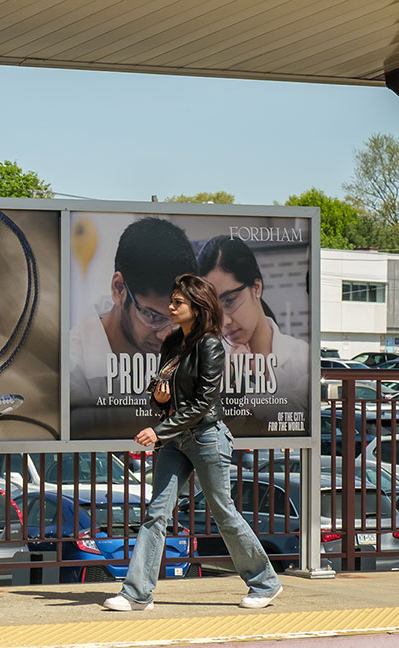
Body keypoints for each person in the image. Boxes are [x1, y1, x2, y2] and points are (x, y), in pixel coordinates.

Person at [102, 274, 282, 612]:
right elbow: (163, 395)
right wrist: (157, 398)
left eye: (178, 302)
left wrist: (159, 431)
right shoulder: (172, 344)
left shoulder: (210, 345)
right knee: (156, 513)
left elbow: (203, 403)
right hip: (176, 438)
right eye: (172, 300)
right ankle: (137, 593)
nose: (170, 307)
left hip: (206, 437)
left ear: (197, 308)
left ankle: (265, 582)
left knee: (223, 512)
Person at [71, 218, 197, 414]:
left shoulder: (185, 353)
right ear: (119, 289)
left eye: (176, 320)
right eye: (153, 316)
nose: (165, 335)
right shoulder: (69, 366)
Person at [197, 235, 309, 412]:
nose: (224, 321)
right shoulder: (205, 361)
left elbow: (303, 411)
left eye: (229, 301)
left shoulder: (301, 356)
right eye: (212, 309)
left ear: (256, 288)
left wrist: (261, 375)